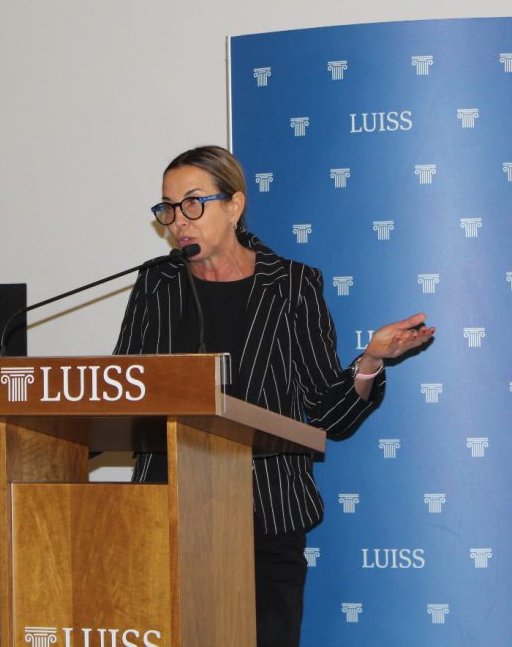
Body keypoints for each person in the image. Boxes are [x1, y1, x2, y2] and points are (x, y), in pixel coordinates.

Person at [115, 145, 434, 647]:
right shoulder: (156, 283)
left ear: (235, 205)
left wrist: (371, 360)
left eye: (193, 203)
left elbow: (328, 414)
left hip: (265, 518)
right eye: (168, 208)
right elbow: (122, 392)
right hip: (168, 513)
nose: (178, 221)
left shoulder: (292, 286)